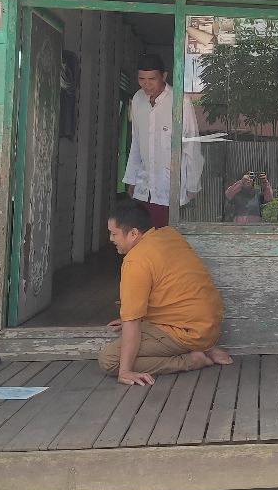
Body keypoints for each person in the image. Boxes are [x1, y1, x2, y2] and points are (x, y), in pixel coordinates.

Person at [98, 199, 233, 386]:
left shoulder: (136, 261)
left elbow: (132, 323)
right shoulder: (169, 235)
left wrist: (125, 371)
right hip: (209, 325)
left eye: (114, 234)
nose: (111, 239)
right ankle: (207, 348)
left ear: (133, 233)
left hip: (187, 332)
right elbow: (171, 290)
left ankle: (191, 360)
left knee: (109, 359)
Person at [123, 53, 203, 228]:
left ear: (164, 76)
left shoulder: (180, 102)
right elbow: (136, 142)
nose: (146, 84)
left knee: (163, 237)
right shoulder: (137, 99)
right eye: (141, 79)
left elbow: (192, 146)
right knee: (142, 236)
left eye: (152, 79)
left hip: (169, 188)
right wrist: (132, 179)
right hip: (144, 186)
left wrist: (192, 185)